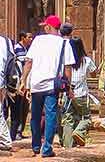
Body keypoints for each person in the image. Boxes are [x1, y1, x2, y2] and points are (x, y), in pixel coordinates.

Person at [20, 15, 75, 157]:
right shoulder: (64, 43)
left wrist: (23, 80)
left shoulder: (37, 40)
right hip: (52, 85)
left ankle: (36, 146)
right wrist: (68, 87)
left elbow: (28, 62)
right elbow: (68, 68)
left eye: (45, 25)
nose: (44, 27)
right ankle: (47, 148)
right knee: (50, 115)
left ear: (49, 27)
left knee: (35, 116)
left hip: (36, 84)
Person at [62, 37, 96, 148]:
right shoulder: (86, 61)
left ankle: (68, 145)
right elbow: (93, 73)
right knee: (86, 118)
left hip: (67, 94)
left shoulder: (65, 61)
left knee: (68, 119)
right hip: (81, 94)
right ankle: (79, 132)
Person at [9, 32, 31, 141]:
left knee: (24, 109)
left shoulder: (26, 49)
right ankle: (15, 132)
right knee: (17, 109)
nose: (31, 39)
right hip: (19, 82)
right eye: (29, 37)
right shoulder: (17, 49)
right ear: (23, 38)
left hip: (24, 82)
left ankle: (19, 131)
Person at [0, 33, 16, 152]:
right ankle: (5, 140)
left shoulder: (6, 42)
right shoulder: (6, 42)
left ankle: (5, 140)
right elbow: (11, 62)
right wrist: (9, 84)